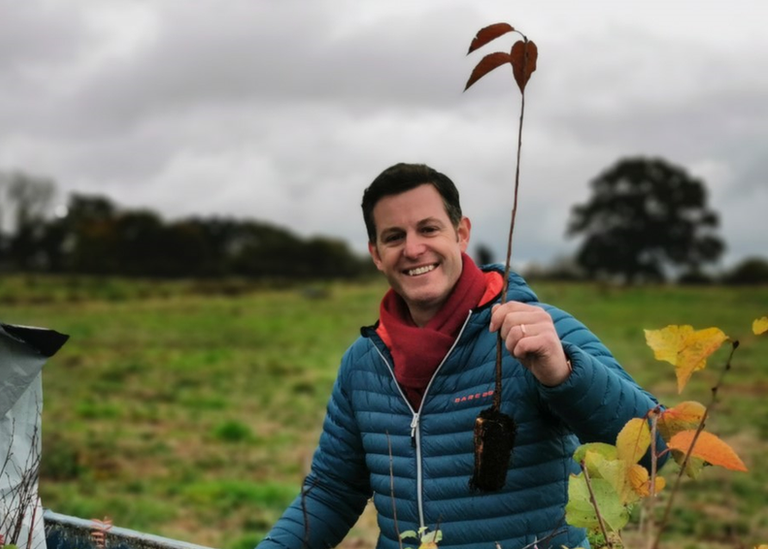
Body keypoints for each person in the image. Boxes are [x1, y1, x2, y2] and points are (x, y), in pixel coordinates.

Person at [256, 163, 664, 549]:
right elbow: (333, 490)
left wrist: (562, 373)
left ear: (461, 233)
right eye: (394, 237)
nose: (413, 249)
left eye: (428, 229)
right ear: (376, 254)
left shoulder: (538, 334)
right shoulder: (364, 363)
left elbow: (656, 448)